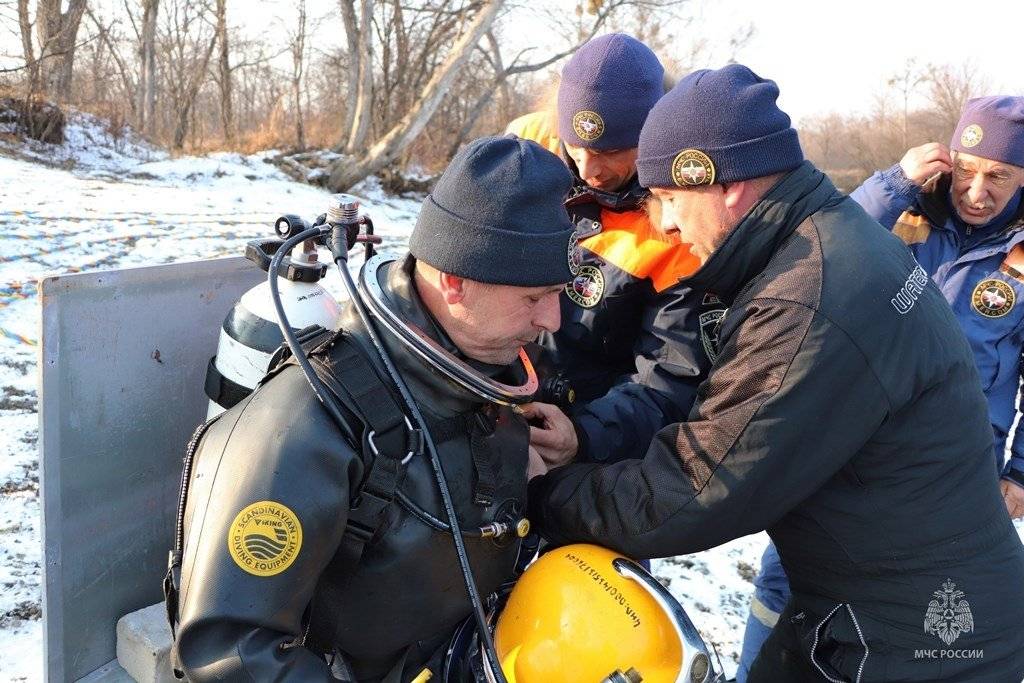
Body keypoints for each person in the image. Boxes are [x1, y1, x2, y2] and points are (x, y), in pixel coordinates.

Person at [526, 64, 1024, 681]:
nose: (667, 225)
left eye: (670, 199)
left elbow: (694, 490)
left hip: (916, 643)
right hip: (870, 607)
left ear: (727, 186)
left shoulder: (809, 298)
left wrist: (535, 493)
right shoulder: (833, 244)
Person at [166, 136, 576, 682]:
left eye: (558, 294)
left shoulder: (484, 369)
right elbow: (229, 652)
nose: (553, 319)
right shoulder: (309, 422)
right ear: (455, 282)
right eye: (534, 298)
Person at [737, 95, 1024, 682]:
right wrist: (892, 183)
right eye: (967, 170)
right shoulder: (904, 210)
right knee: (786, 576)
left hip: (949, 472)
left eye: (999, 176)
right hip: (846, 444)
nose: (976, 190)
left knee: (925, 616)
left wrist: (1020, 472)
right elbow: (814, 247)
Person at [509, 33, 718, 466]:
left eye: (612, 152)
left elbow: (671, 379)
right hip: (491, 388)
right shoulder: (524, 149)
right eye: (577, 146)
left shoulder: (681, 224)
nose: (589, 169)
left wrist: (582, 436)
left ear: (657, 135)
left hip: (593, 430)